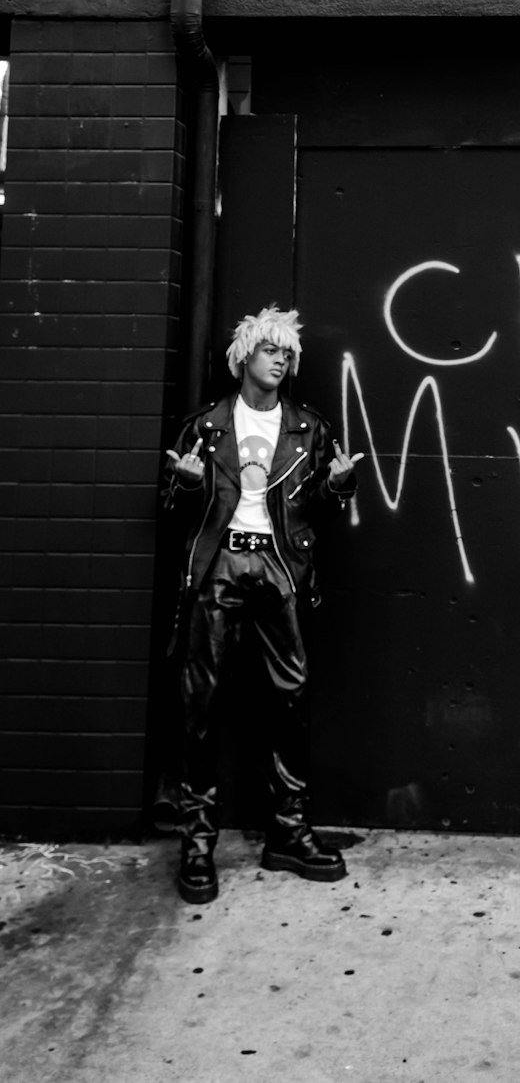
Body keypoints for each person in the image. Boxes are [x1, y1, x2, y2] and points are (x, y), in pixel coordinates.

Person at [163, 305, 361, 904]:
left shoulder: (309, 428)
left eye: (287, 353)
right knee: (202, 701)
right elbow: (172, 505)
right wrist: (191, 484)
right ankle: (198, 840)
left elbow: (318, 512)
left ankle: (288, 831)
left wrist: (338, 485)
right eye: (269, 349)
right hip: (219, 563)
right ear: (244, 356)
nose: (280, 359)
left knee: (292, 698)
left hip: (279, 568)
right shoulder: (206, 427)